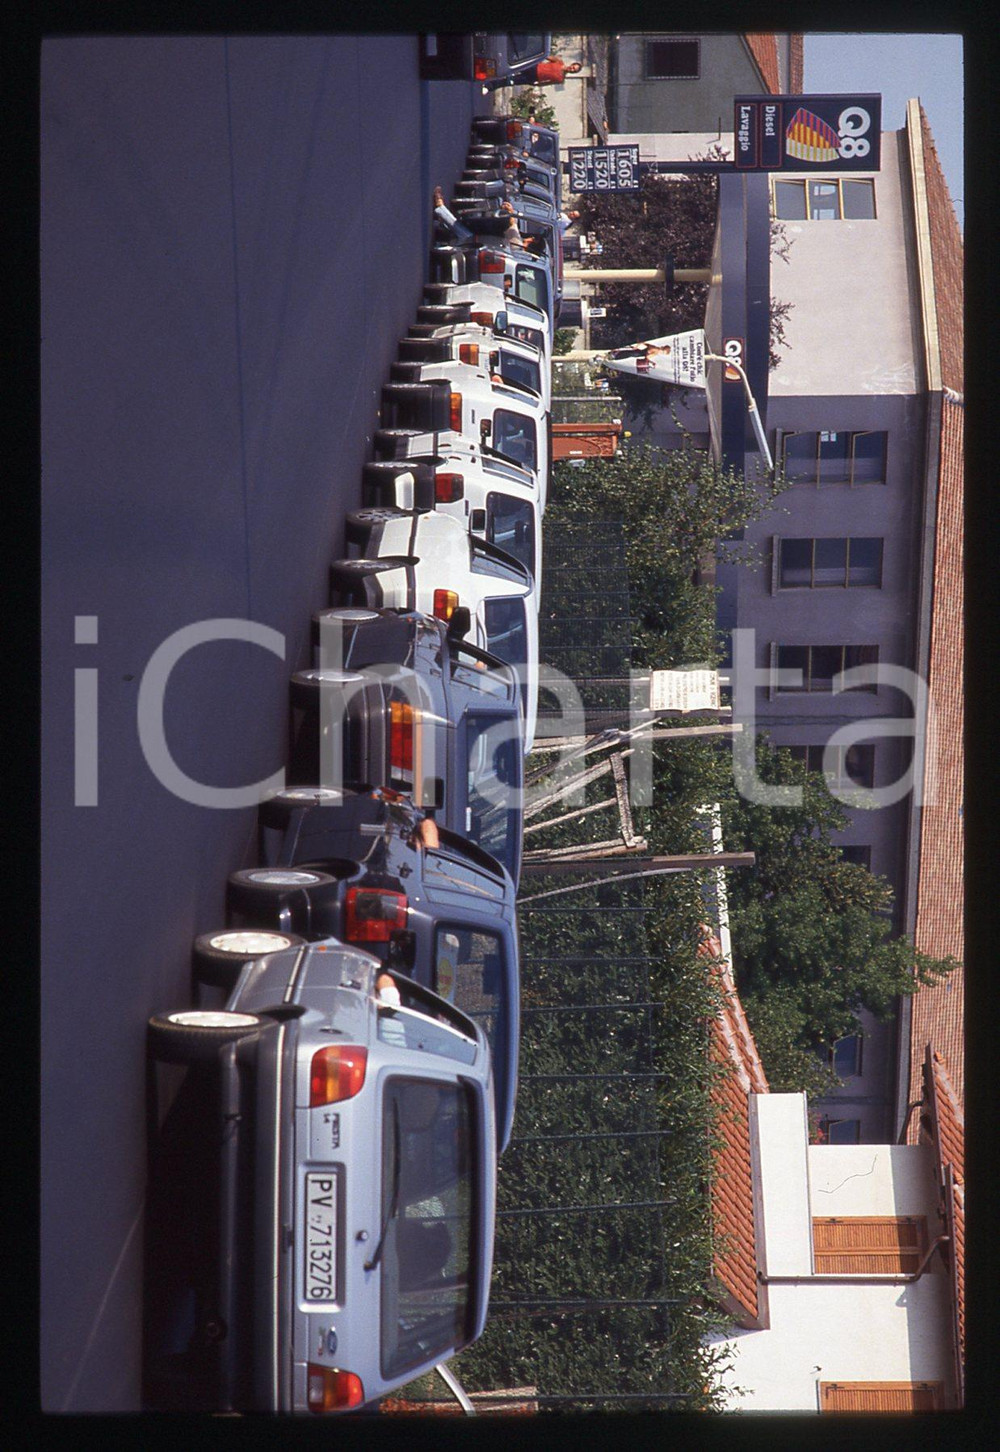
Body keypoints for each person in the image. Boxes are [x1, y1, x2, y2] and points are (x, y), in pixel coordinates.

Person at [433, 187, 538, 253]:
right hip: (479, 244)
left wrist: (510, 212)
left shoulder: (517, 247)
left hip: (475, 247)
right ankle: (443, 222)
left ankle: (440, 208)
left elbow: (511, 225)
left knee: (465, 236)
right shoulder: (518, 247)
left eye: (532, 239)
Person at [484, 56, 584, 89]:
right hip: (533, 67)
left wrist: (536, 85)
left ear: (572, 73)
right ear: (572, 64)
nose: (572, 68)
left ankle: (491, 85)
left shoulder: (560, 79)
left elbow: (547, 83)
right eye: (573, 67)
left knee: (511, 81)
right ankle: (487, 71)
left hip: (533, 78)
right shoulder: (559, 61)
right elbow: (545, 57)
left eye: (573, 70)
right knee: (510, 68)